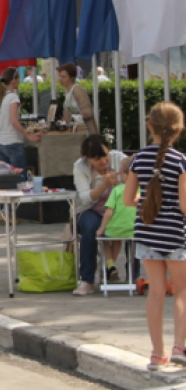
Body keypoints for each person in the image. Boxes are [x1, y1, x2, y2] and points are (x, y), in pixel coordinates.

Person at [123, 102, 186, 371]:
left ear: (150, 126)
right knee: (182, 292)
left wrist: (145, 199)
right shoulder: (181, 161)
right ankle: (179, 347)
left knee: (155, 293)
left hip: (147, 233)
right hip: (175, 234)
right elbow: (184, 206)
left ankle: (156, 354)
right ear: (179, 130)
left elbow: (128, 200)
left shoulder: (138, 159)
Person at [72, 135, 130, 296]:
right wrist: (104, 184)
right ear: (88, 159)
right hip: (91, 210)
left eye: (105, 156)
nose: (103, 162)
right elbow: (85, 197)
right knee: (90, 228)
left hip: (120, 209)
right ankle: (87, 280)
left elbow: (134, 179)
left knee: (132, 224)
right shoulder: (80, 167)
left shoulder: (120, 159)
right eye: (97, 160)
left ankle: (133, 275)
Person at [0, 67, 41, 171]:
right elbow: (14, 121)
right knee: (20, 178)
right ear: (13, 81)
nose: (19, 82)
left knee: (5, 179)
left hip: (0, 143)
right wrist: (29, 137)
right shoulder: (13, 97)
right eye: (18, 79)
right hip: (13, 142)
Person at [96, 171, 138, 282]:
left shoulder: (117, 190)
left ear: (128, 175)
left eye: (122, 173)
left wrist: (101, 228)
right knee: (118, 240)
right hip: (134, 231)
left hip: (115, 230)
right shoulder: (141, 190)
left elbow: (109, 212)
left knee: (106, 238)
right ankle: (130, 276)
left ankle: (111, 265)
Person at [58, 62, 98, 135]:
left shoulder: (78, 90)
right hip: (74, 131)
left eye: (64, 77)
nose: (60, 79)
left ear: (72, 77)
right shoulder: (67, 91)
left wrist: (72, 118)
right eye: (60, 76)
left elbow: (87, 113)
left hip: (85, 132)